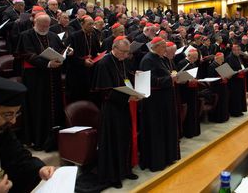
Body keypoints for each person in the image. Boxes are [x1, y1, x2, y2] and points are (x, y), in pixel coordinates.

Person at [0, 76, 56, 193]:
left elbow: (18, 155)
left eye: (16, 114)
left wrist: (39, 168)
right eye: (8, 114)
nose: (13, 121)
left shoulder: (0, 129)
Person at [91, 36, 139, 189]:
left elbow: (125, 78)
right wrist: (127, 97)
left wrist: (135, 76)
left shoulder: (122, 60)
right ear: (115, 49)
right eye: (124, 52)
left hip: (124, 107)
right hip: (111, 109)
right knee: (114, 142)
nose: (126, 55)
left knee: (125, 138)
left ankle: (125, 170)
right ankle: (114, 176)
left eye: (128, 52)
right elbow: (105, 92)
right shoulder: (104, 63)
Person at [19, 13, 69, 151]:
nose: (45, 28)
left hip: (53, 77)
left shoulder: (52, 35)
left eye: (47, 25)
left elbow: (60, 49)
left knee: (55, 107)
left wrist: (67, 51)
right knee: (39, 107)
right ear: (35, 22)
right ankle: (39, 140)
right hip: (35, 78)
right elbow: (26, 54)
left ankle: (55, 140)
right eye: (42, 25)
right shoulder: (26, 35)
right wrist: (47, 64)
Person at [139, 37, 180, 172]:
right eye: (163, 47)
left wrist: (171, 76)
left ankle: (168, 157)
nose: (165, 49)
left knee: (166, 128)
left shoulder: (161, 58)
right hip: (154, 103)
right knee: (157, 131)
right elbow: (150, 81)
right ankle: (157, 161)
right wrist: (170, 78)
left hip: (164, 100)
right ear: (155, 47)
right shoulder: (148, 59)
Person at [66, 16, 100, 103]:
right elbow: (69, 55)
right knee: (77, 96)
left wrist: (98, 56)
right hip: (77, 72)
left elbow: (97, 52)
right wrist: (82, 62)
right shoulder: (74, 36)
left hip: (90, 70)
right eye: (89, 24)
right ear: (82, 24)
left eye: (93, 24)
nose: (92, 26)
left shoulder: (94, 35)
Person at [207, 52, 230, 123]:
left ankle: (224, 117)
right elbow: (211, 78)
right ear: (216, 58)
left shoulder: (222, 65)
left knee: (224, 101)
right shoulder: (212, 66)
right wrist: (220, 78)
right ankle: (218, 118)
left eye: (223, 58)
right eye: (221, 58)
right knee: (219, 103)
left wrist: (228, 75)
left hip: (223, 86)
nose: (223, 60)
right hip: (216, 88)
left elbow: (227, 75)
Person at [225, 44, 247, 117]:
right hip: (234, 81)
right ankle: (234, 112)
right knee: (235, 96)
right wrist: (238, 71)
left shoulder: (238, 57)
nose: (238, 52)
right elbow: (229, 70)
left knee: (240, 95)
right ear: (233, 50)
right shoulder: (230, 58)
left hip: (240, 79)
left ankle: (239, 110)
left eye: (239, 50)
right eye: (237, 50)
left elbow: (241, 65)